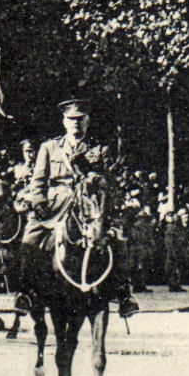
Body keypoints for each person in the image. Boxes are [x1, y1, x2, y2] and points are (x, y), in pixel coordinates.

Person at [20, 99, 139, 318]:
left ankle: (124, 292)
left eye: (80, 119)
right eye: (71, 119)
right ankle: (26, 291)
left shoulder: (99, 149)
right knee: (30, 238)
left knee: (117, 237)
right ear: (64, 121)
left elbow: (108, 182)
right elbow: (38, 181)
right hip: (56, 204)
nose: (75, 123)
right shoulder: (49, 147)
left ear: (87, 121)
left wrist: (93, 177)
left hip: (89, 203)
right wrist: (38, 202)